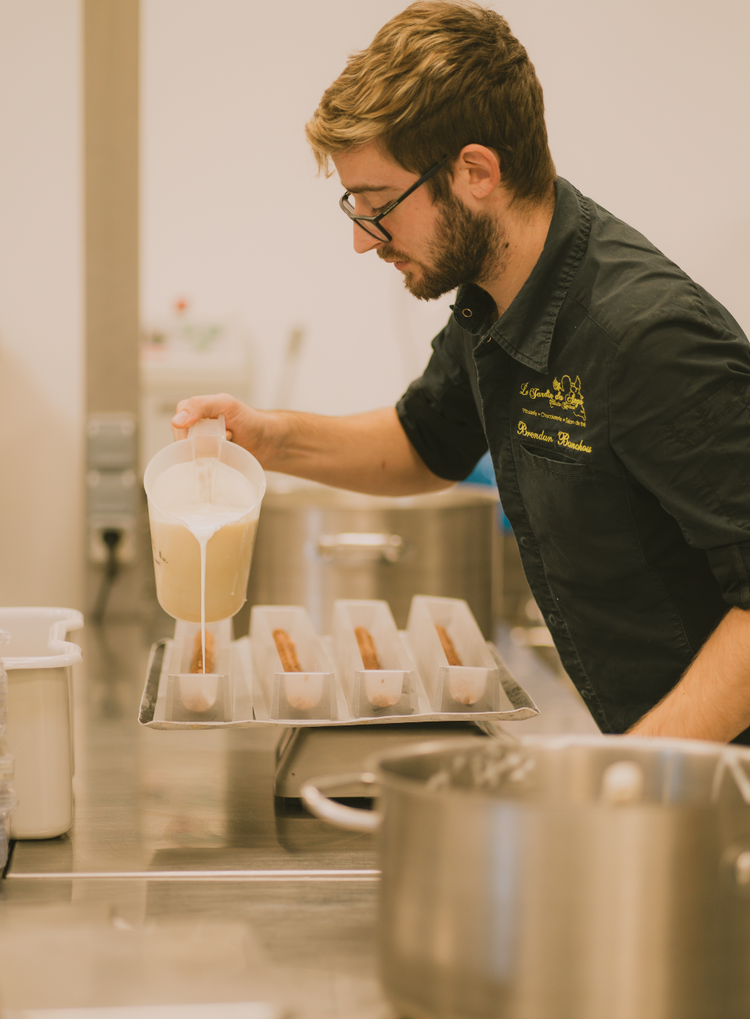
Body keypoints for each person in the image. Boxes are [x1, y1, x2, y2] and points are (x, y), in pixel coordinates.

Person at [172, 0, 750, 745]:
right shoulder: (493, 298)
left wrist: (629, 776)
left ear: (476, 172)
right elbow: (426, 443)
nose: (361, 241)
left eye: (378, 205)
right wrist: (268, 438)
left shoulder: (647, 335)